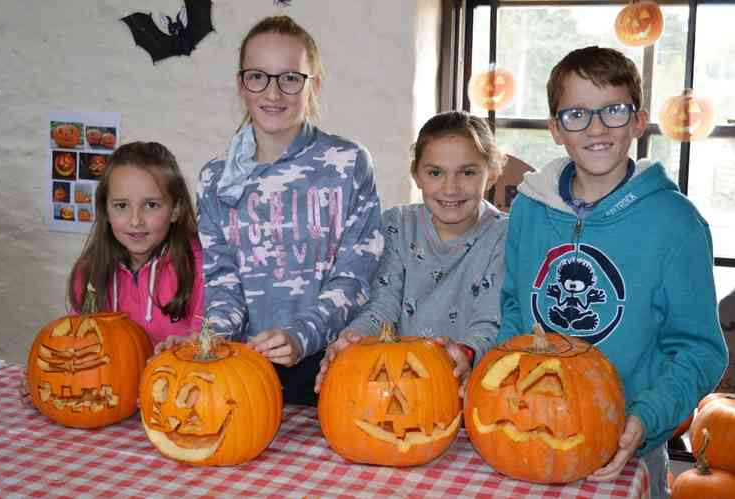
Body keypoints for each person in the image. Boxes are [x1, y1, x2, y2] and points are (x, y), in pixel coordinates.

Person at [498, 46, 728, 497]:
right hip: (526, 428)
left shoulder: (675, 223)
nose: (597, 128)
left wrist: (646, 416)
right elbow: (513, 310)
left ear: (638, 122)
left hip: (627, 450)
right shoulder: (527, 208)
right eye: (577, 114)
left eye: (614, 111)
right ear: (555, 129)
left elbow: (701, 350)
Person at [197, 15, 383, 406]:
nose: (273, 93)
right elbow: (222, 281)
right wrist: (214, 341)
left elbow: (355, 276)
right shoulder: (215, 178)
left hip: (333, 367)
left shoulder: (348, 163)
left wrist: (303, 334)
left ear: (313, 84)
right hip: (245, 371)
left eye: (290, 78)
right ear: (241, 84)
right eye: (258, 76)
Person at [314, 110, 508, 397]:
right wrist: (352, 340)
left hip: (468, 386)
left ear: (491, 173)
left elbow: (491, 317)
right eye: (435, 173)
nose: (451, 188)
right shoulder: (396, 225)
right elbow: (382, 305)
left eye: (468, 172)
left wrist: (467, 352)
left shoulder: (504, 235)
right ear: (416, 174)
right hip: (395, 385)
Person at [68, 141, 204, 348]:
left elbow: (209, 350)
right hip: (108, 380)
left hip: (178, 378)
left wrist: (190, 347)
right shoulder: (89, 272)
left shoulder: (200, 269)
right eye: (121, 205)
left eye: (151, 205)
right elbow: (77, 343)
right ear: (106, 210)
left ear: (175, 209)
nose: (135, 221)